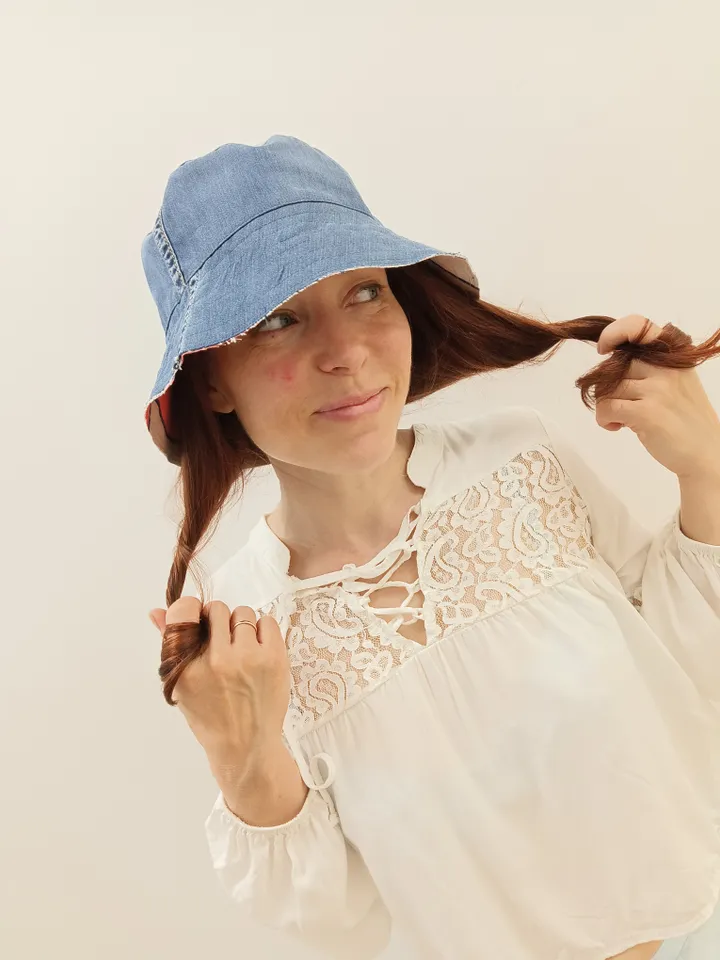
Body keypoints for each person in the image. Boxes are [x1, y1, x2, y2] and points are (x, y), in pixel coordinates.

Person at [141, 135, 720, 960]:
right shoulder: (243, 633)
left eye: (367, 291)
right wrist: (242, 758)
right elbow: (341, 925)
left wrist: (708, 472)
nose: (345, 352)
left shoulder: (522, 459)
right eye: (278, 318)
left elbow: (693, 672)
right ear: (209, 380)